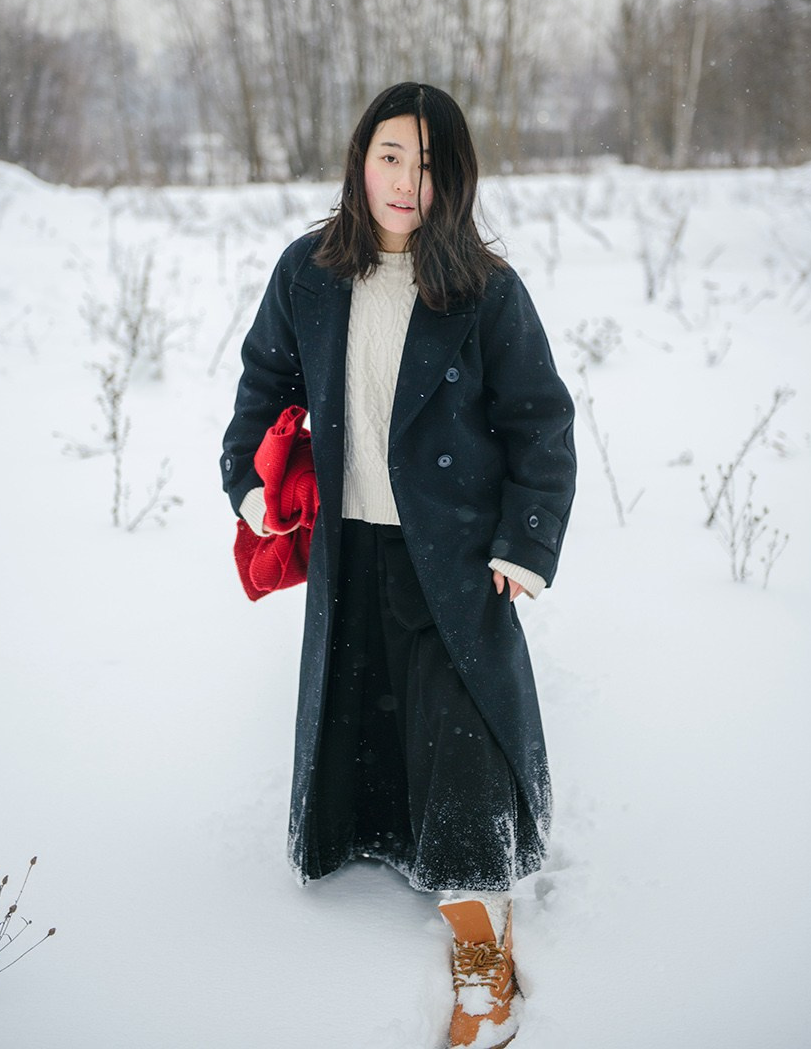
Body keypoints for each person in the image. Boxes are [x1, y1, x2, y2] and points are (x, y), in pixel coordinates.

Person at [221, 82, 576, 1047]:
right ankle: (381, 844)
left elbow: (541, 424)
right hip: (350, 550)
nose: (405, 180)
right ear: (359, 160)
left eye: (427, 161)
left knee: (458, 738)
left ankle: (481, 958)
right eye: (389, 156)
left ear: (452, 174)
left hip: (456, 561)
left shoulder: (486, 292)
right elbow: (264, 381)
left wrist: (525, 543)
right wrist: (246, 479)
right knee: (368, 720)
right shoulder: (308, 272)